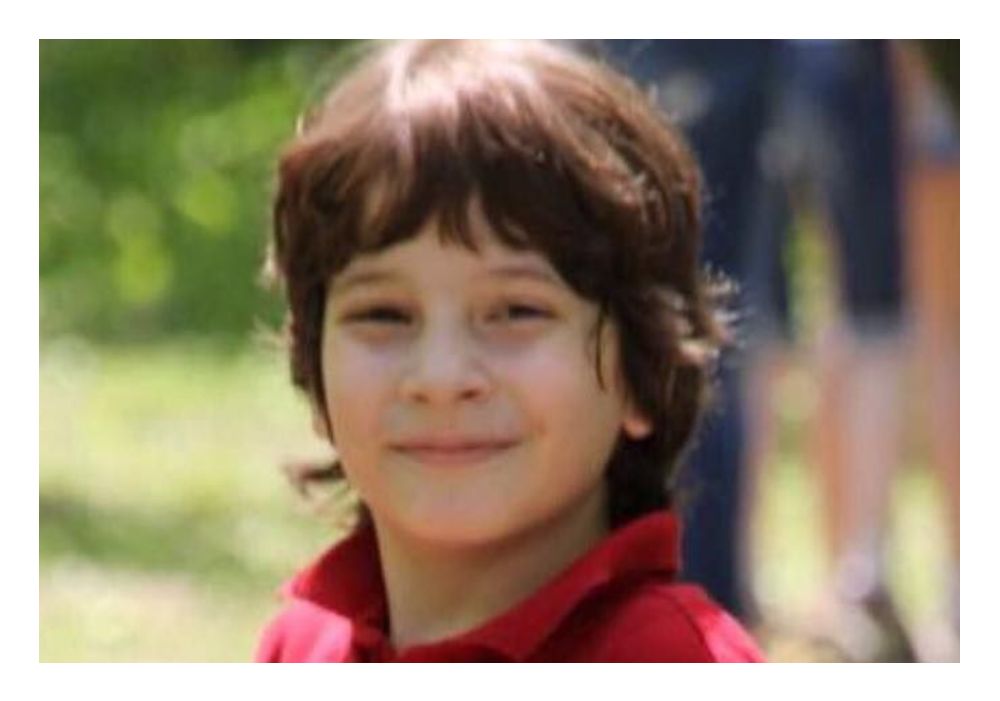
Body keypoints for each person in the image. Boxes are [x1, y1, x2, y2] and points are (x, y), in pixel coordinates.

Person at [254, 40, 764, 662]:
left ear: (641, 370)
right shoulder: (303, 646)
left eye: (516, 312)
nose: (441, 377)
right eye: (383, 314)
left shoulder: (667, 657)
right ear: (316, 369)